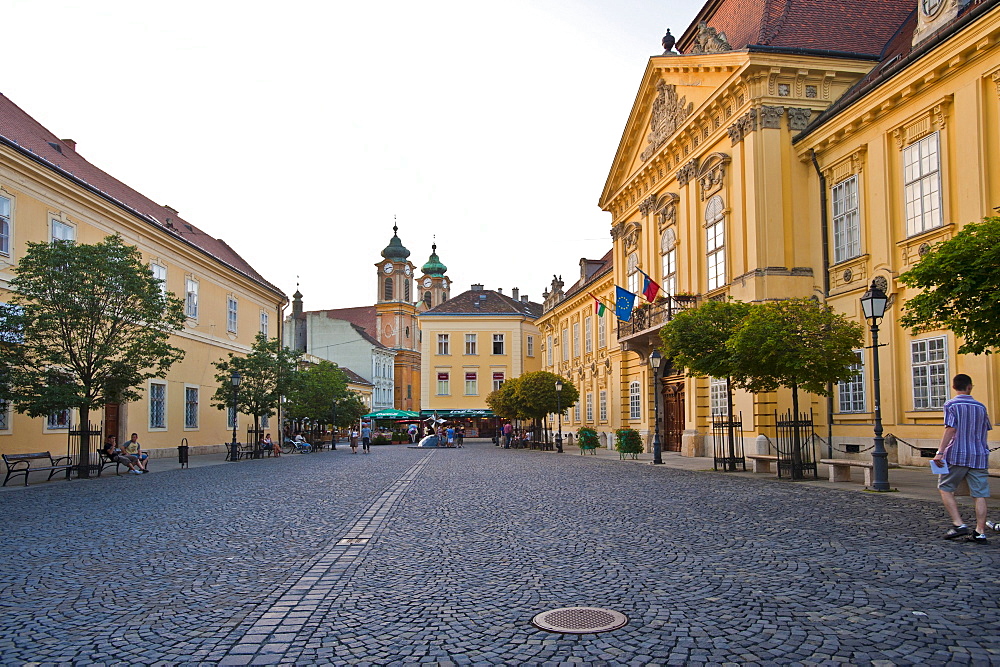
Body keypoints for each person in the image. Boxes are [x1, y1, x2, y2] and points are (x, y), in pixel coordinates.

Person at [933, 374, 992, 543]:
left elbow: (951, 429)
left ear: (954, 387)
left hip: (957, 454)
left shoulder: (951, 404)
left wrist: (940, 452)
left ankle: (959, 524)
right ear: (970, 387)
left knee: (945, 487)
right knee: (980, 494)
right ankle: (980, 531)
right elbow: (985, 429)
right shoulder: (981, 407)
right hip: (979, 455)